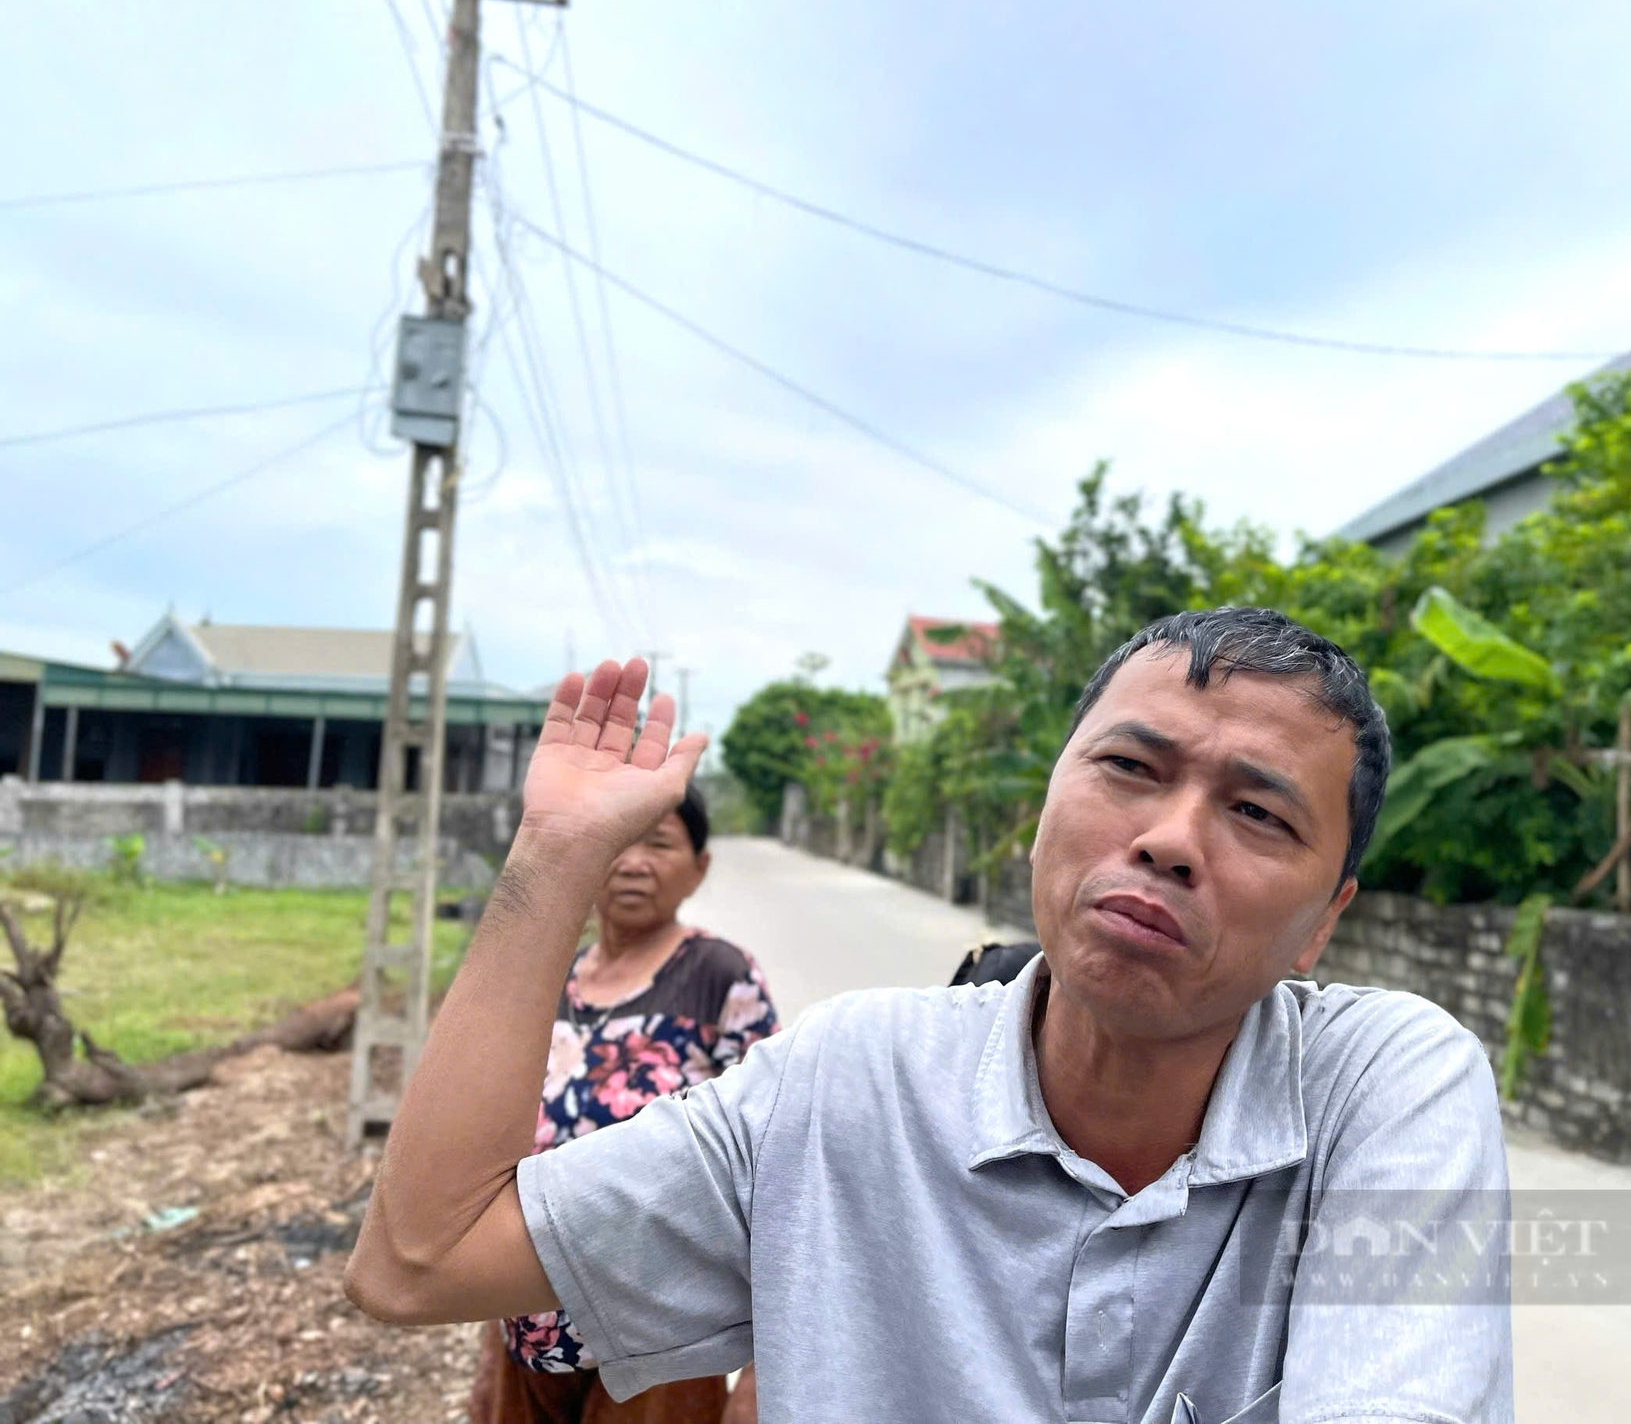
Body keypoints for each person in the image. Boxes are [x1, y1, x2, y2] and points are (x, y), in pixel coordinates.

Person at [348, 608, 1514, 1423]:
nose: (1168, 838)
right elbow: (421, 1261)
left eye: (1259, 814)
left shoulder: (1379, 1086)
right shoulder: (845, 1081)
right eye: (1128, 767)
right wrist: (552, 858)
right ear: (1039, 811)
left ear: (1322, 923)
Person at [464, 781, 776, 1424]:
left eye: (659, 844)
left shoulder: (721, 976)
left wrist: (760, 1370)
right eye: (618, 844)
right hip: (529, 1317)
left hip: (661, 1329)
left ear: (699, 868)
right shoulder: (551, 980)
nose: (634, 862)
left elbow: (775, 1163)